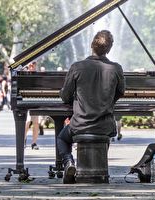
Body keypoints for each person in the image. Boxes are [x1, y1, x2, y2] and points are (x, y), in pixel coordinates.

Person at [57, 30, 125, 184]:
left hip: (80, 124)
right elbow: (121, 91)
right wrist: (107, 102)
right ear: (109, 49)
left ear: (92, 45)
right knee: (105, 134)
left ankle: (68, 162)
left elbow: (66, 96)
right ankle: (99, 169)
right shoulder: (116, 68)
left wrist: (64, 94)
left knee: (62, 138)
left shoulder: (77, 67)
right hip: (105, 125)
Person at [24, 62, 40, 150]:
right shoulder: (24, 75)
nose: (32, 66)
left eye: (33, 65)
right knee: (27, 122)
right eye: (30, 65)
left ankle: (34, 142)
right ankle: (24, 139)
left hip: (35, 100)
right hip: (26, 100)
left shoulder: (37, 75)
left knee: (36, 122)